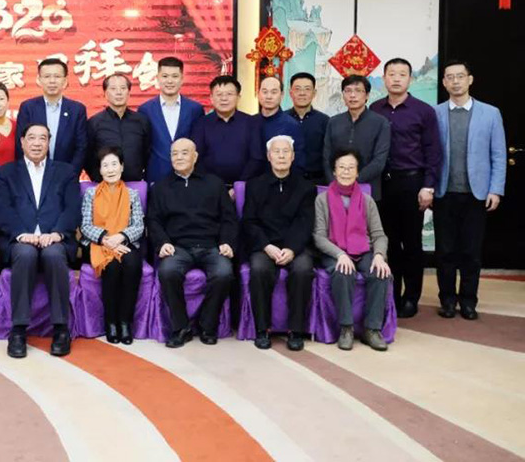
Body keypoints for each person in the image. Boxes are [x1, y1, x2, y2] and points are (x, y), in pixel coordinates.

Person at [0, 123, 81, 359]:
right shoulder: (7, 172)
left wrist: (58, 233)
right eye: (31, 138)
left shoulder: (65, 171)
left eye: (42, 138)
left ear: (48, 143)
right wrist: (21, 233)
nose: (36, 143)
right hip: (21, 238)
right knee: (25, 253)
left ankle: (61, 329)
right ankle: (18, 330)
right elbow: (2, 208)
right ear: (22, 142)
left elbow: (72, 208)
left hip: (55, 238)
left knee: (54, 254)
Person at [433, 60, 506, 321]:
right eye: (450, 77)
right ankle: (447, 300)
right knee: (445, 252)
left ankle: (468, 301)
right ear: (444, 82)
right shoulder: (435, 113)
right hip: (444, 193)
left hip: (477, 194)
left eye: (460, 76)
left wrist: (495, 189)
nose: (455, 81)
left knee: (471, 253)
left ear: (470, 79)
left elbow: (498, 155)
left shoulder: (490, 113)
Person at [370, 58, 442, 318]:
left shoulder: (423, 111)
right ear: (384, 79)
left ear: (410, 79)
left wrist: (428, 186)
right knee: (387, 241)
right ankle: (391, 293)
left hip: (412, 182)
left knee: (411, 243)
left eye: (402, 74)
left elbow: (433, 151)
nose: (396, 79)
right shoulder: (375, 109)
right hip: (383, 184)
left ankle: (411, 297)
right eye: (391, 74)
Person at [149, 139, 237, 347]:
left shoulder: (214, 183)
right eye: (174, 153)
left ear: (195, 156)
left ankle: (207, 325)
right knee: (168, 271)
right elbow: (153, 220)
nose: (179, 157)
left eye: (184, 153)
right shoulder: (161, 187)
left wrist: (227, 242)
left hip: (211, 245)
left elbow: (229, 218)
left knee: (224, 272)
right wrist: (163, 242)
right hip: (178, 247)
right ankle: (181, 328)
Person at [242, 135, 316, 351]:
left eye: (286, 152)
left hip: (295, 246)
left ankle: (296, 330)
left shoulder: (306, 187)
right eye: (276, 152)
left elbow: (305, 222)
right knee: (258, 268)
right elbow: (249, 221)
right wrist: (267, 246)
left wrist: (291, 249)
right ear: (268, 156)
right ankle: (262, 329)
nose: (281, 156)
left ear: (293, 156)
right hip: (265, 246)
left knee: (303, 269)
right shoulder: (255, 185)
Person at [314, 149, 391, 352]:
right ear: (334, 171)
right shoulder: (322, 200)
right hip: (334, 251)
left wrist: (379, 256)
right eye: (341, 167)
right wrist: (340, 254)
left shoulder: (367, 200)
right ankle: (346, 328)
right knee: (343, 272)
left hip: (363, 250)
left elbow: (379, 235)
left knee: (380, 272)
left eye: (351, 168)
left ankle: (372, 330)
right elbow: (319, 236)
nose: (346, 172)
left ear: (357, 172)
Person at [80, 147, 145, 345]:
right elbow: (85, 225)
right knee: (113, 267)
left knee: (133, 265)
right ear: (100, 170)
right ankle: (111, 323)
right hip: (98, 243)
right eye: (105, 165)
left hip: (125, 242)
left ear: (122, 167)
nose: (110, 169)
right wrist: (107, 240)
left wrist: (120, 237)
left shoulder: (132, 194)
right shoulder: (91, 193)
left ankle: (125, 322)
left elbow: (138, 225)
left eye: (114, 164)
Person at [14, 58, 88, 177]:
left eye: (57, 76)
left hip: (66, 176)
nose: (52, 81)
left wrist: (71, 175)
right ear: (39, 80)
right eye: (47, 76)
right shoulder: (28, 107)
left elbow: (81, 147)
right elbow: (20, 144)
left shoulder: (77, 110)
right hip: (34, 175)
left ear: (65, 81)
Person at [323, 75, 391, 200]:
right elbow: (326, 157)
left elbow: (379, 161)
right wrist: (334, 181)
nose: (352, 95)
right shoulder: (333, 122)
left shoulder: (381, 123)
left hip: (368, 192)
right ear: (343, 95)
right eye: (348, 91)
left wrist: (350, 179)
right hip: (336, 190)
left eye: (358, 91)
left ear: (367, 95)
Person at [138, 56, 204, 184]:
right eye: (165, 76)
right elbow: (143, 146)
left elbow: (198, 144)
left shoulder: (195, 109)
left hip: (188, 178)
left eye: (175, 76)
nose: (169, 81)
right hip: (156, 176)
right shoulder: (145, 110)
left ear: (182, 79)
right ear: (157, 78)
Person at [190, 76, 264, 186]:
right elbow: (196, 158)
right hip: (210, 188)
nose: (224, 98)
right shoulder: (200, 124)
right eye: (219, 94)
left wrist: (241, 184)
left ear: (238, 97)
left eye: (229, 94)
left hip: (245, 187)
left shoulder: (252, 123)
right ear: (211, 98)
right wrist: (213, 186)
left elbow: (256, 158)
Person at [86, 74, 151, 182]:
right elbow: (87, 156)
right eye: (113, 89)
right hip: (105, 185)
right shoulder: (94, 123)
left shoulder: (141, 121)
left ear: (129, 93)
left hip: (134, 184)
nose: (119, 92)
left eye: (123, 88)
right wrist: (98, 178)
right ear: (105, 94)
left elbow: (147, 152)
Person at [287, 72, 330, 183]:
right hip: (288, 181)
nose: (302, 93)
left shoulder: (325, 121)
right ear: (290, 93)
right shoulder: (282, 119)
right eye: (297, 89)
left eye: (307, 89)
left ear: (314, 93)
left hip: (317, 181)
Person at [256, 76, 305, 166]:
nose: (269, 96)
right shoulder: (249, 123)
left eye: (274, 92)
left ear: (282, 95)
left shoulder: (292, 125)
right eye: (265, 92)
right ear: (258, 93)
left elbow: (298, 160)